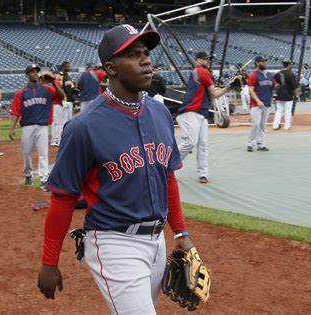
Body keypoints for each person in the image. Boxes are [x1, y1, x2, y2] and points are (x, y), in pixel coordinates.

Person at [37, 24, 194, 314]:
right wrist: (49, 262)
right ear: (110, 68)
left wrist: (180, 232)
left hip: (157, 240)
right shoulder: (84, 127)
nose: (146, 60)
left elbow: (167, 178)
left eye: (146, 53)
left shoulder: (159, 112)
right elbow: (63, 199)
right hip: (114, 242)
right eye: (134, 55)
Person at [175, 51, 230, 184]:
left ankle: (203, 174)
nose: (208, 61)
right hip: (190, 111)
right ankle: (166, 165)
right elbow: (213, 93)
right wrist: (227, 88)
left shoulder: (204, 71)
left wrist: (227, 88)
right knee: (190, 142)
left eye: (209, 59)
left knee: (203, 145)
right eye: (206, 59)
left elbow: (212, 94)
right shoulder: (201, 70)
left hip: (200, 113)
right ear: (198, 60)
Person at [8, 65, 65, 191]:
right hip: (27, 127)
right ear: (27, 75)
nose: (35, 74)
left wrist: (53, 82)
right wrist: (11, 128)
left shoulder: (47, 89)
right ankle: (28, 174)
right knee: (27, 153)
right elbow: (16, 112)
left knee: (43, 154)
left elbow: (61, 96)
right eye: (32, 72)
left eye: (36, 72)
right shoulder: (21, 92)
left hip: (42, 126)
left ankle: (44, 179)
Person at [247, 55, 276, 152]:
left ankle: (261, 144)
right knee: (256, 124)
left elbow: (274, 87)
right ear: (257, 63)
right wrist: (258, 101)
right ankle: (250, 143)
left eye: (265, 61)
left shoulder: (270, 75)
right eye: (262, 61)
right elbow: (250, 90)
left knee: (262, 125)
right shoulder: (254, 75)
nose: (264, 63)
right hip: (256, 104)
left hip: (266, 103)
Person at [272, 59, 299, 131]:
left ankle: (275, 125)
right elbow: (295, 86)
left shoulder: (278, 74)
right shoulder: (291, 74)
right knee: (288, 111)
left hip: (279, 94)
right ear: (289, 65)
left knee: (279, 110)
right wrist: (296, 94)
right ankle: (287, 126)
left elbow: (275, 84)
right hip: (288, 94)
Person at [50, 71, 68, 147]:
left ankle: (54, 140)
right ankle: (57, 140)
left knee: (55, 123)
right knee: (59, 123)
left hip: (53, 105)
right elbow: (62, 95)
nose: (59, 76)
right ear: (54, 75)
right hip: (57, 104)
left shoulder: (52, 83)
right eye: (58, 75)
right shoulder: (57, 82)